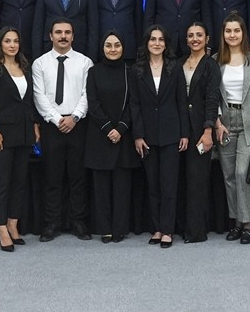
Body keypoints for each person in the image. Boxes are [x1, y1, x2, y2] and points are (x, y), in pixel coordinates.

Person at [31, 18, 92, 241]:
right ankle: (52, 223)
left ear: (73, 36)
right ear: (50, 36)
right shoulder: (40, 64)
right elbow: (39, 96)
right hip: (51, 126)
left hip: (78, 124)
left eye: (67, 32)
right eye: (58, 32)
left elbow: (87, 93)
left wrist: (74, 117)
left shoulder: (85, 62)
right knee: (52, 177)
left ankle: (78, 222)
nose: (63, 36)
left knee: (78, 177)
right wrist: (58, 120)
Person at [130, 25, 190, 248]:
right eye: (153, 39)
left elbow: (181, 102)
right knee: (152, 183)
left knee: (169, 184)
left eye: (161, 40)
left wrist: (184, 133)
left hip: (171, 134)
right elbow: (134, 105)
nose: (156, 43)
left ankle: (167, 230)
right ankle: (156, 228)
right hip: (146, 135)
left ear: (166, 44)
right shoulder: (136, 69)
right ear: (146, 43)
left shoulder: (175, 68)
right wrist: (138, 135)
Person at [214, 13, 250, 244]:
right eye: (228, 31)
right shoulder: (216, 59)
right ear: (223, 34)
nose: (232, 35)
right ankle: (236, 222)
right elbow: (212, 95)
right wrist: (217, 121)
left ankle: (248, 225)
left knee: (242, 173)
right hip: (226, 124)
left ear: (243, 33)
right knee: (229, 176)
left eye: (236, 30)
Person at [0, 26, 34, 252]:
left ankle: (13, 223)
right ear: (0, 44)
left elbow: (29, 101)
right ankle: (1, 228)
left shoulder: (25, 67)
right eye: (7, 41)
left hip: (24, 132)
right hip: (2, 133)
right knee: (2, 181)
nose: (12, 45)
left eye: (16, 41)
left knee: (20, 180)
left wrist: (34, 126)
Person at [85, 32, 138, 243]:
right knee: (101, 187)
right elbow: (92, 103)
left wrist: (121, 129)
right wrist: (108, 128)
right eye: (108, 45)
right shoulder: (94, 71)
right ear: (102, 48)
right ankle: (104, 228)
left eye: (117, 45)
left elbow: (134, 103)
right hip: (100, 135)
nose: (113, 49)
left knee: (122, 186)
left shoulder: (130, 71)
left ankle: (119, 228)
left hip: (123, 135)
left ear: (123, 47)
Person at [181, 22, 221, 243]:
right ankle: (180, 227)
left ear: (207, 39)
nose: (194, 39)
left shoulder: (210, 65)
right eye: (191, 35)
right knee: (181, 180)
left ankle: (196, 232)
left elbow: (212, 99)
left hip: (200, 130)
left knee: (197, 182)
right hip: (180, 130)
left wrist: (208, 131)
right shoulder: (179, 63)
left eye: (199, 35)